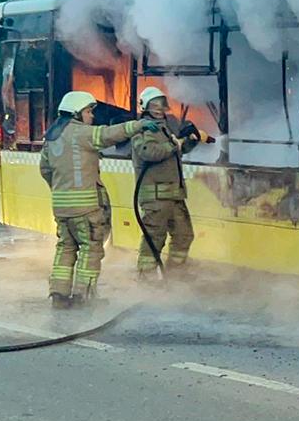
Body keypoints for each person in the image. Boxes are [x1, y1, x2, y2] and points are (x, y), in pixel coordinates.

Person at [39, 91, 156, 308]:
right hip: (85, 208)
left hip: (61, 208)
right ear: (76, 113)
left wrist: (61, 190)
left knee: (65, 248)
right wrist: (140, 125)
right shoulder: (82, 133)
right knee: (91, 249)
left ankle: (58, 295)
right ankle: (84, 297)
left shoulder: (52, 137)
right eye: (88, 111)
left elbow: (45, 170)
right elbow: (110, 134)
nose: (92, 116)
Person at [131, 87, 208, 277]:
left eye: (161, 105)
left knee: (184, 236)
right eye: (153, 105)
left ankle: (175, 275)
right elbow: (148, 152)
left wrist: (190, 141)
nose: (158, 109)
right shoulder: (142, 128)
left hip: (173, 194)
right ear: (145, 107)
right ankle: (146, 278)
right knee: (154, 238)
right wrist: (176, 143)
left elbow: (176, 151)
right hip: (155, 196)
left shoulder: (166, 127)